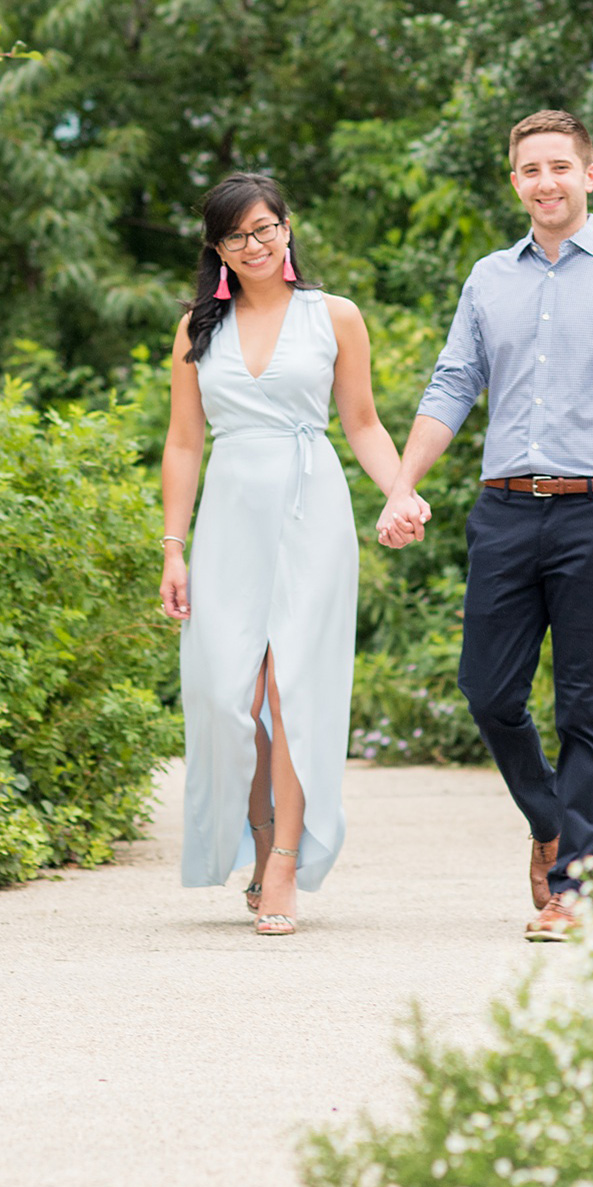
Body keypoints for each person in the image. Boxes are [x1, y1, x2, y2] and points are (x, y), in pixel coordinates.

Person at [376, 110, 593, 941]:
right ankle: (550, 825)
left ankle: (572, 890)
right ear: (515, 182)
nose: (545, 182)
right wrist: (402, 486)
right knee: (488, 691)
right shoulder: (488, 280)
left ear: (590, 174)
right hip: (506, 509)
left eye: (560, 166)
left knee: (586, 703)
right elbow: (449, 388)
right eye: (530, 170)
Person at [159, 171, 421, 937]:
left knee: (290, 690)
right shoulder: (196, 330)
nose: (256, 244)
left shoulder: (334, 317)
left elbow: (364, 423)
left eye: (267, 227)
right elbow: (182, 444)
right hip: (231, 517)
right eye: (237, 235)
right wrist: (174, 549)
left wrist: (399, 491)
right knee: (224, 695)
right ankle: (261, 836)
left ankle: (282, 865)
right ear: (218, 250)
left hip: (312, 509)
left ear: (286, 228)